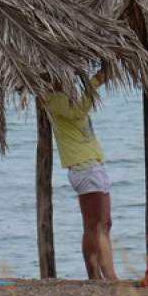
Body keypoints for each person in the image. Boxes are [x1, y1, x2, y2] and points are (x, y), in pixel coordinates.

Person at [45, 68, 116, 280]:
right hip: (83, 167)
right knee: (93, 225)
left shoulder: (66, 98)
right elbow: (79, 110)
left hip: (94, 165)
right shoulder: (53, 100)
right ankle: (95, 274)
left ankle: (109, 273)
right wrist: (95, 81)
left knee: (105, 222)